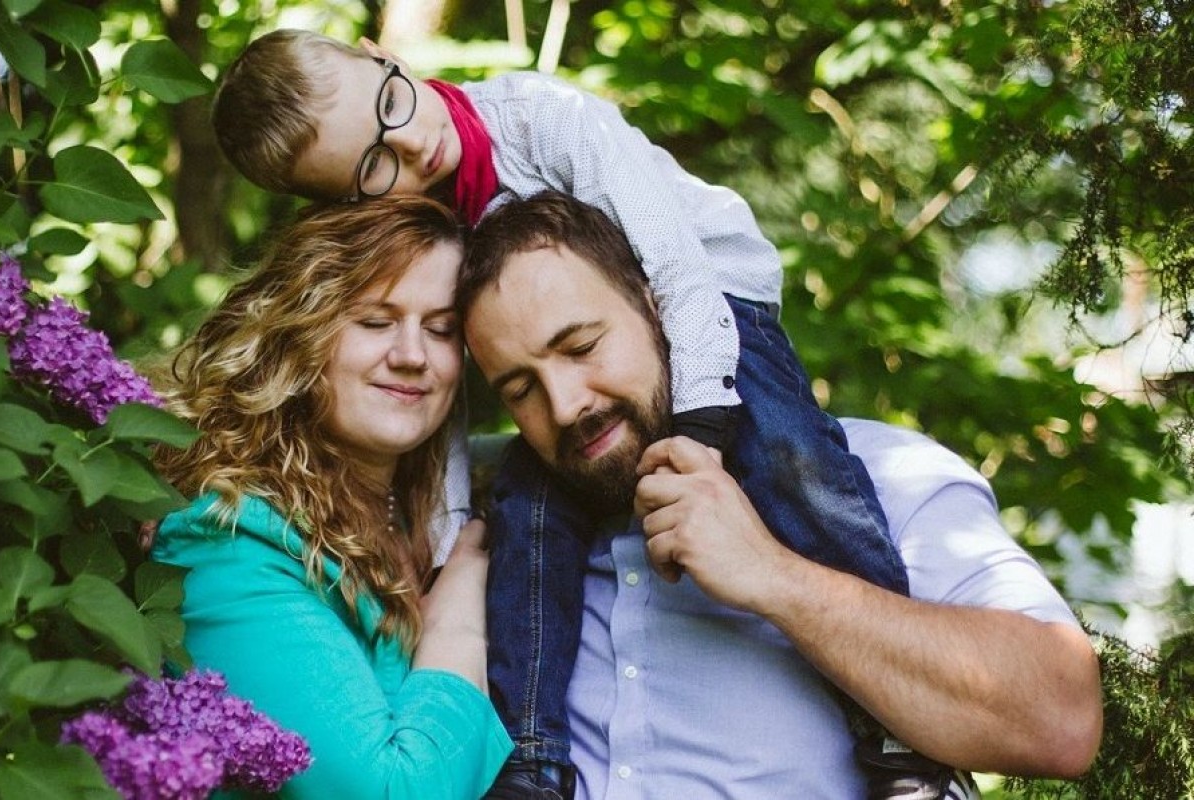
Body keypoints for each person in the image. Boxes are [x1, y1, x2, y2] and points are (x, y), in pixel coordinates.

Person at [212, 29, 943, 798]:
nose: (413, 145)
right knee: (526, 522)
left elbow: (676, 265)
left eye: (391, 105)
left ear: (379, 54)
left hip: (712, 299)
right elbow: (448, 410)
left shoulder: (539, 118)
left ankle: (896, 731)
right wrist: (447, 541)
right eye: (373, 165)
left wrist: (702, 426)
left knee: (790, 462)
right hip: (587, 375)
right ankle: (531, 763)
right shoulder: (429, 230)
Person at [456, 190, 1104, 799]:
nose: (564, 405)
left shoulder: (880, 477)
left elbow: (1060, 721)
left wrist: (771, 573)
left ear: (661, 306)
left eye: (581, 347)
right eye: (521, 390)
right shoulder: (517, 557)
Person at [151, 195, 512, 799]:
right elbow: (392, 792)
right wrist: (456, 623)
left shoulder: (425, 511)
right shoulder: (228, 536)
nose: (412, 355)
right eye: (374, 321)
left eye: (441, 329)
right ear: (300, 330)